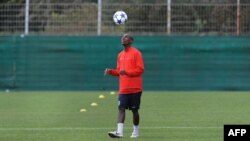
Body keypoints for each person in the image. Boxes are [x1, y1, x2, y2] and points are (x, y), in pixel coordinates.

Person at [104, 33, 144, 138]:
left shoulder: (136, 53)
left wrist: (126, 72)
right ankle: (119, 132)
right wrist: (111, 71)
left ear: (131, 41)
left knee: (135, 110)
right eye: (122, 37)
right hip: (123, 89)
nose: (123, 38)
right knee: (121, 109)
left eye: (126, 37)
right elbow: (119, 71)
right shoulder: (120, 55)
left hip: (135, 88)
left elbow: (140, 69)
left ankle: (135, 131)